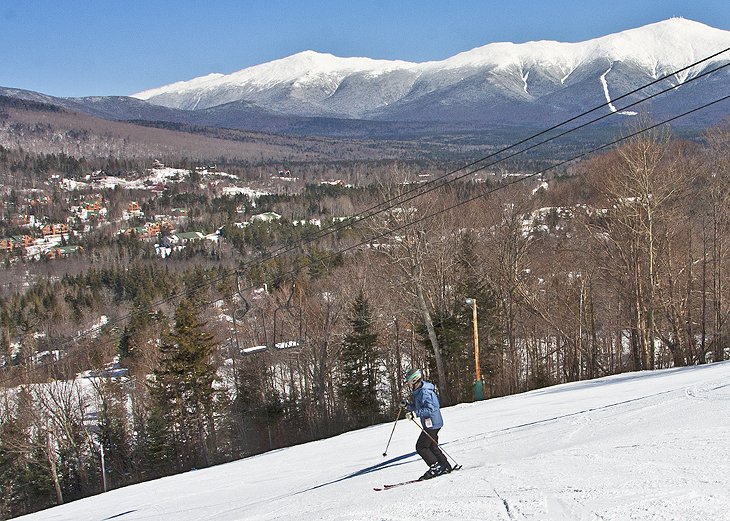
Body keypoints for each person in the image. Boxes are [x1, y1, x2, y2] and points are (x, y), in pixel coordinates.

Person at [401, 368, 453, 480]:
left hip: (432, 423)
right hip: (430, 423)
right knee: (432, 446)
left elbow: (432, 408)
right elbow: (420, 406)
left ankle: (435, 467)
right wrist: (407, 406)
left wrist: (415, 414)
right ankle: (445, 465)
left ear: (415, 380)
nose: (408, 384)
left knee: (421, 447)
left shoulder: (424, 391)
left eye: (409, 382)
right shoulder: (419, 391)